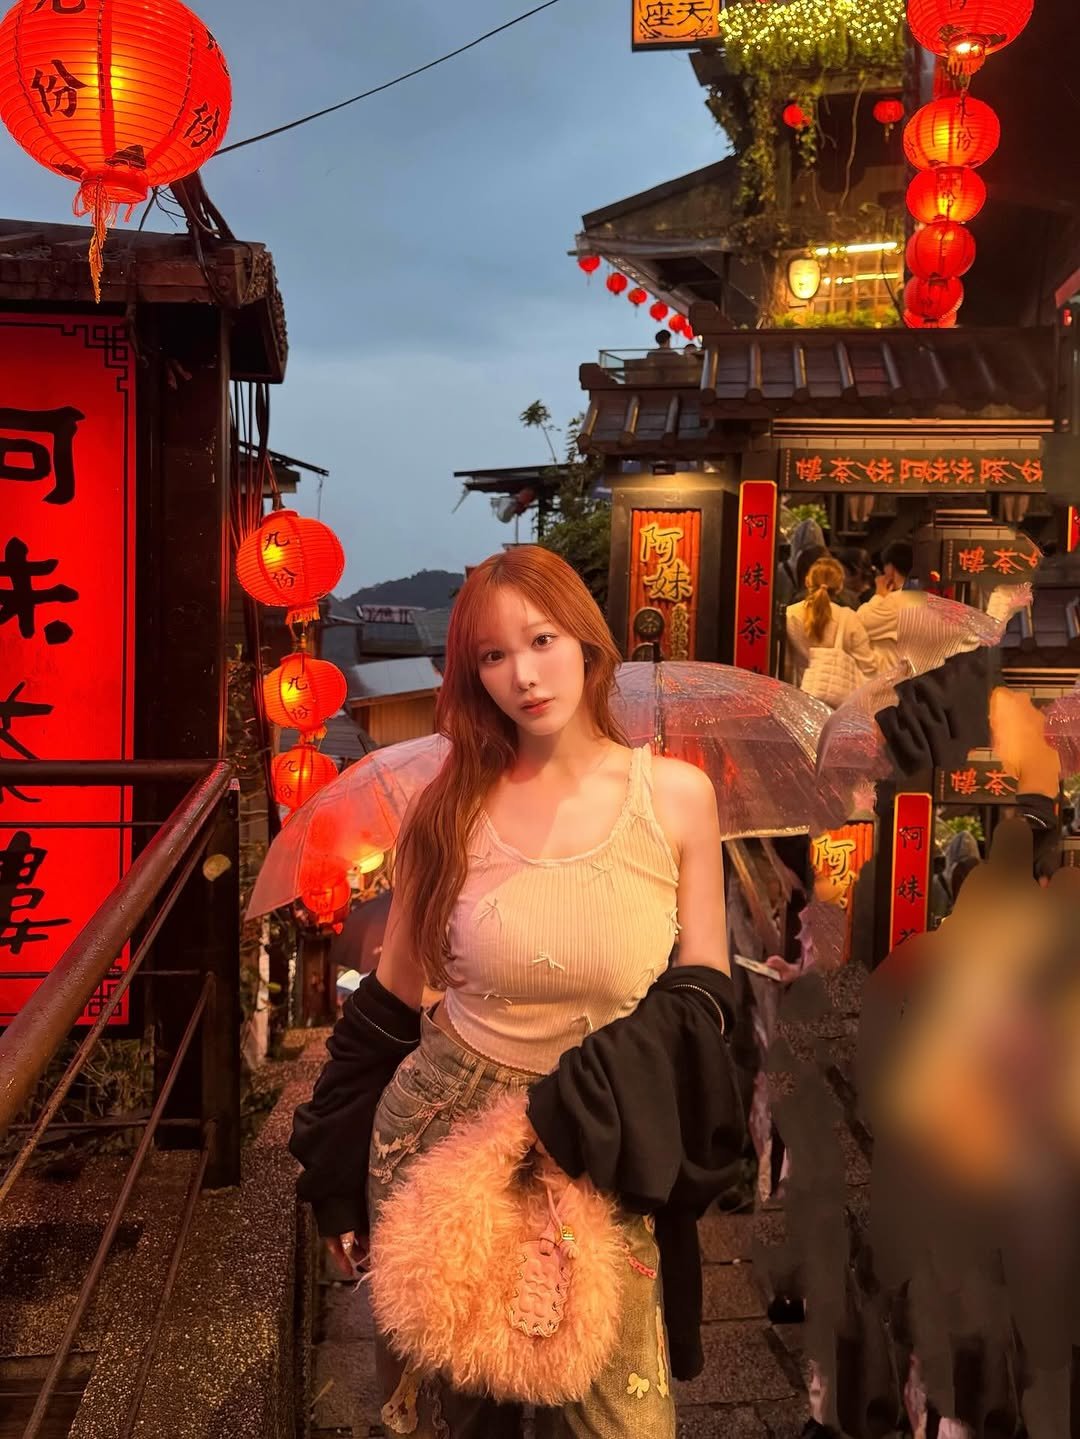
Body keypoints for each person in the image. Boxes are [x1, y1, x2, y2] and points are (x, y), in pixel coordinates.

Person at [290, 545, 737, 1438]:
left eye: (541, 639)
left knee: (622, 1418)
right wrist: (335, 1177)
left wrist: (572, 1101)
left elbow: (706, 999)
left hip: (599, 1131)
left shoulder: (677, 798)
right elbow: (387, 1005)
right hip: (446, 1131)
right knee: (461, 1418)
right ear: (469, 675)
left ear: (587, 643)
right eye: (492, 656)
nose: (524, 675)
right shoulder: (447, 808)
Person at [785, 556, 880, 706]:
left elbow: (785, 665)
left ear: (807, 581)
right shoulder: (849, 618)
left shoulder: (790, 615)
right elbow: (869, 667)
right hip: (836, 707)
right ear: (840, 586)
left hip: (798, 701)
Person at [857, 541, 915, 670]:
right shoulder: (922, 597)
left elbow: (858, 624)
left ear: (891, 569)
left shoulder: (894, 601)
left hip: (889, 681)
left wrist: (879, 595)